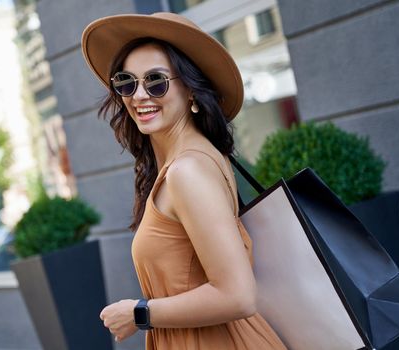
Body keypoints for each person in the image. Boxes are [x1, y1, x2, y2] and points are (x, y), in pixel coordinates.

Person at [81, 12, 287, 350]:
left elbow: (238, 295)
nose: (139, 95)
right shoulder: (191, 160)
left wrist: (139, 313)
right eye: (127, 82)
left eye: (156, 81)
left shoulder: (187, 171)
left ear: (191, 91)